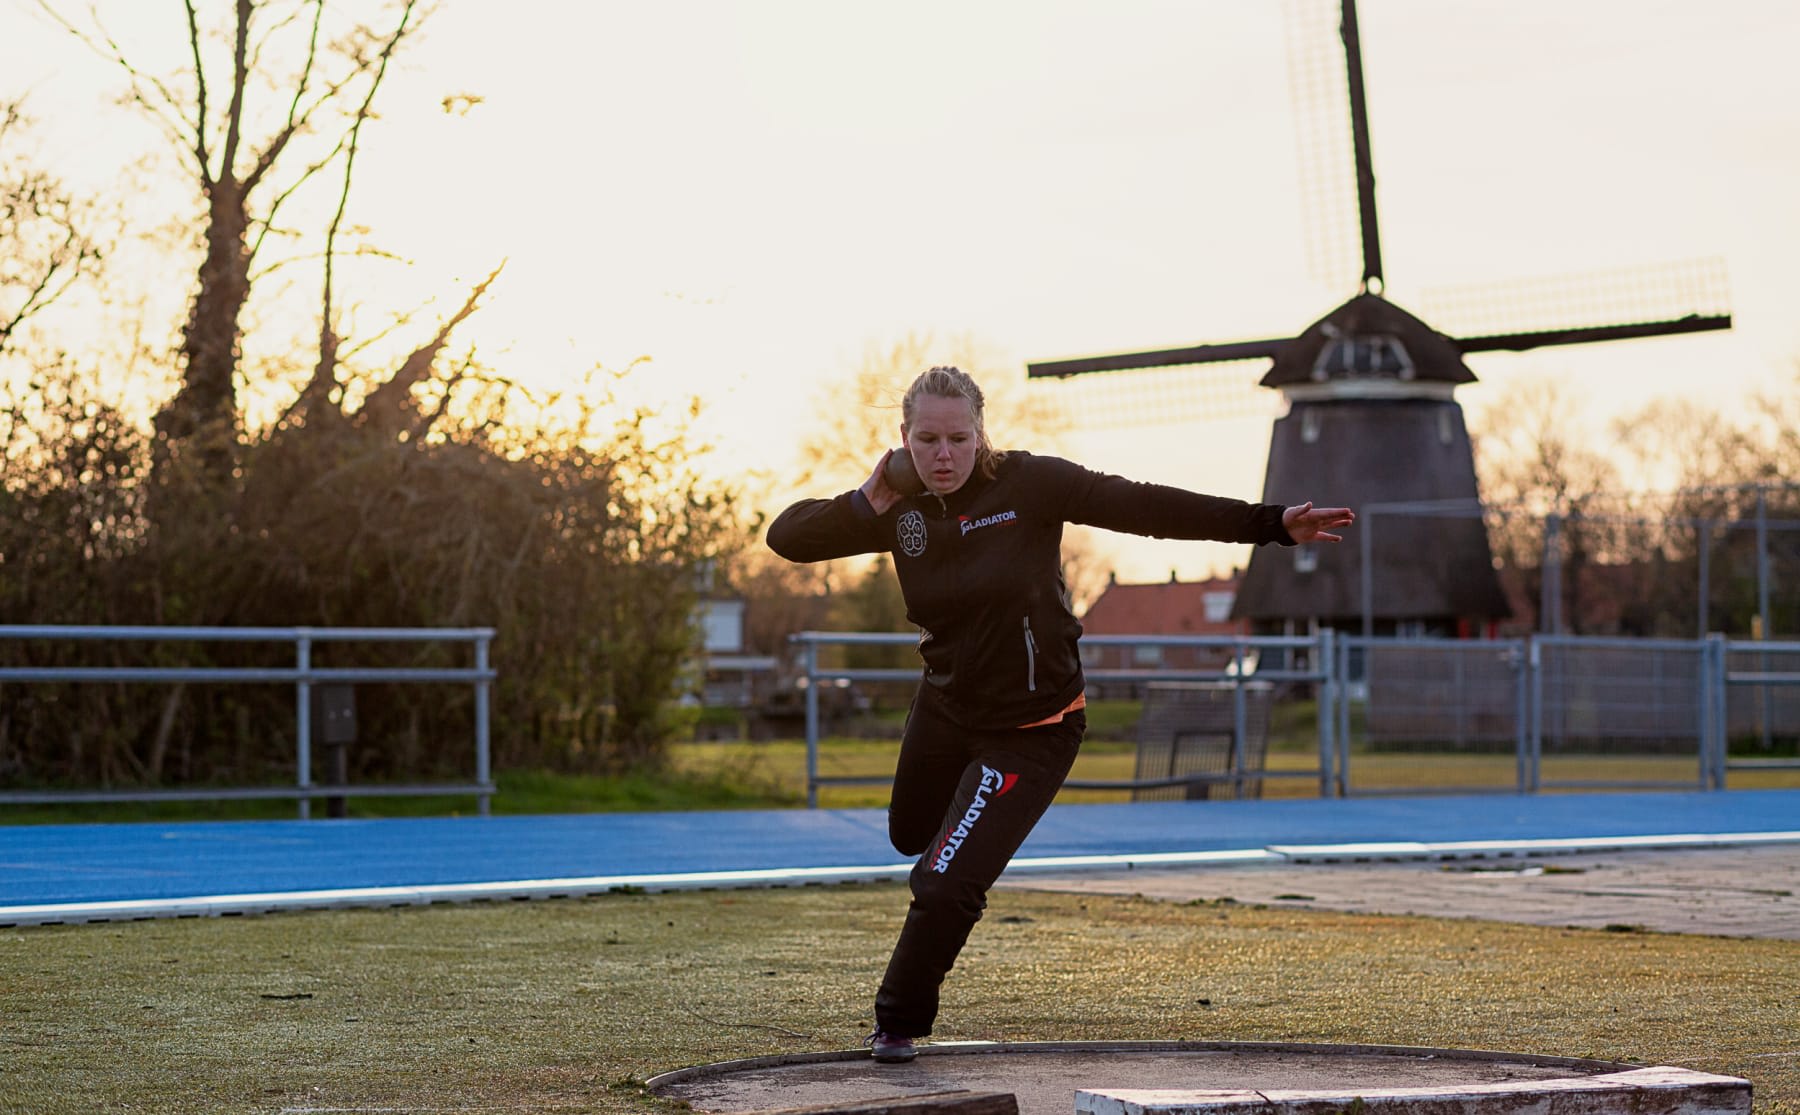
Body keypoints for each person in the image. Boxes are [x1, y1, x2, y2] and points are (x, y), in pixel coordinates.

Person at [766, 365, 1354, 1063]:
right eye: (927, 439)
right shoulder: (901, 505)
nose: (944, 454)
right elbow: (788, 536)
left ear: (982, 433)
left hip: (1032, 726)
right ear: (904, 440)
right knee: (908, 834)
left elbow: (1148, 506)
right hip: (946, 708)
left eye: (958, 437)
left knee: (946, 880)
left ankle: (897, 1025)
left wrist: (1271, 524)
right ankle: (960, 842)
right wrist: (874, 494)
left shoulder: (1030, 484)